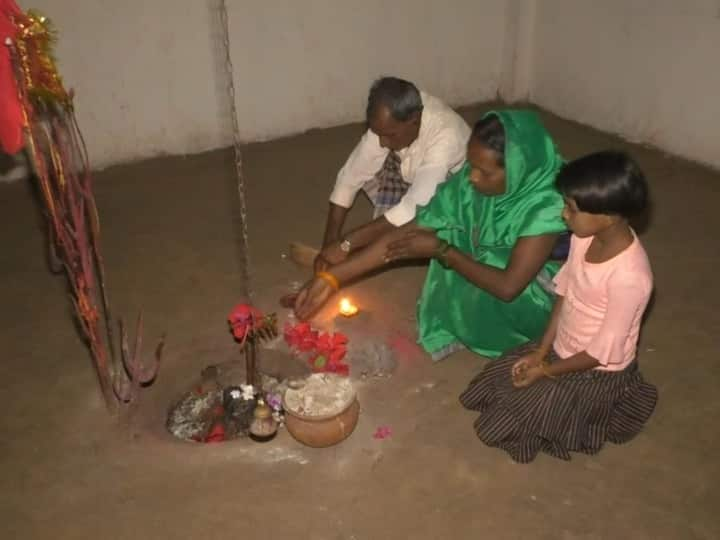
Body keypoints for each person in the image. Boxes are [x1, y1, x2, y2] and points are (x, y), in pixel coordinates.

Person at [295, 110, 567, 360]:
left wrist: (443, 251)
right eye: (471, 165)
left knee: (472, 254)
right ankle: (466, 320)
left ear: (519, 169)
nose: (471, 178)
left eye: (483, 171)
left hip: (541, 295)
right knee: (449, 233)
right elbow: (411, 231)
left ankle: (509, 337)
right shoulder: (472, 181)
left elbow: (509, 287)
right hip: (496, 269)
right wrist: (332, 278)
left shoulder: (547, 203)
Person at [459, 151, 658, 463]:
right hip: (563, 348)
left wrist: (546, 371)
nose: (564, 215)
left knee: (507, 422)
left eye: (571, 208)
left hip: (596, 371)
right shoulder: (584, 236)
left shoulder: (630, 277)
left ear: (607, 215)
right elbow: (565, 295)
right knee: (501, 375)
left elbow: (598, 353)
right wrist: (541, 351)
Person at [316, 76, 471, 272]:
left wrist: (347, 242)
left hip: (457, 199)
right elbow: (351, 175)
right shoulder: (390, 120)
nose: (382, 142)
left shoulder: (446, 136)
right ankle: (385, 235)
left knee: (408, 231)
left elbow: (414, 207)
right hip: (416, 177)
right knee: (370, 165)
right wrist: (329, 243)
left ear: (414, 122)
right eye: (377, 133)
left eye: (389, 135)